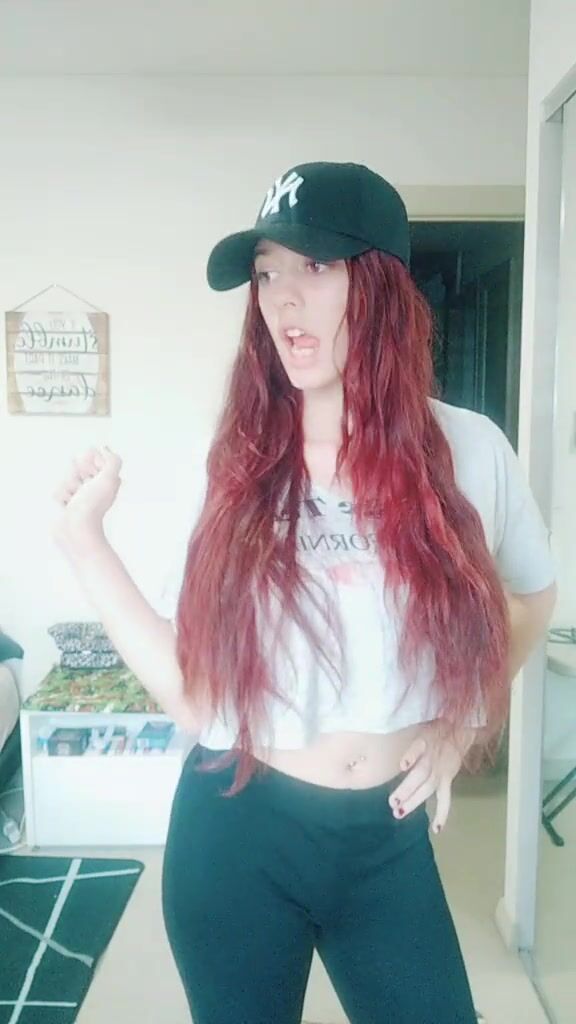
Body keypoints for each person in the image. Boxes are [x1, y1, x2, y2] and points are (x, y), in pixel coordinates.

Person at [53, 161, 557, 1024]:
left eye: (315, 267)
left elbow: (532, 599)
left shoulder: (473, 451)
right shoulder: (232, 467)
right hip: (237, 830)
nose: (282, 299)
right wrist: (83, 542)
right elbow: (194, 695)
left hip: (386, 841)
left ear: (383, 287)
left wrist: (461, 723)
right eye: (265, 274)